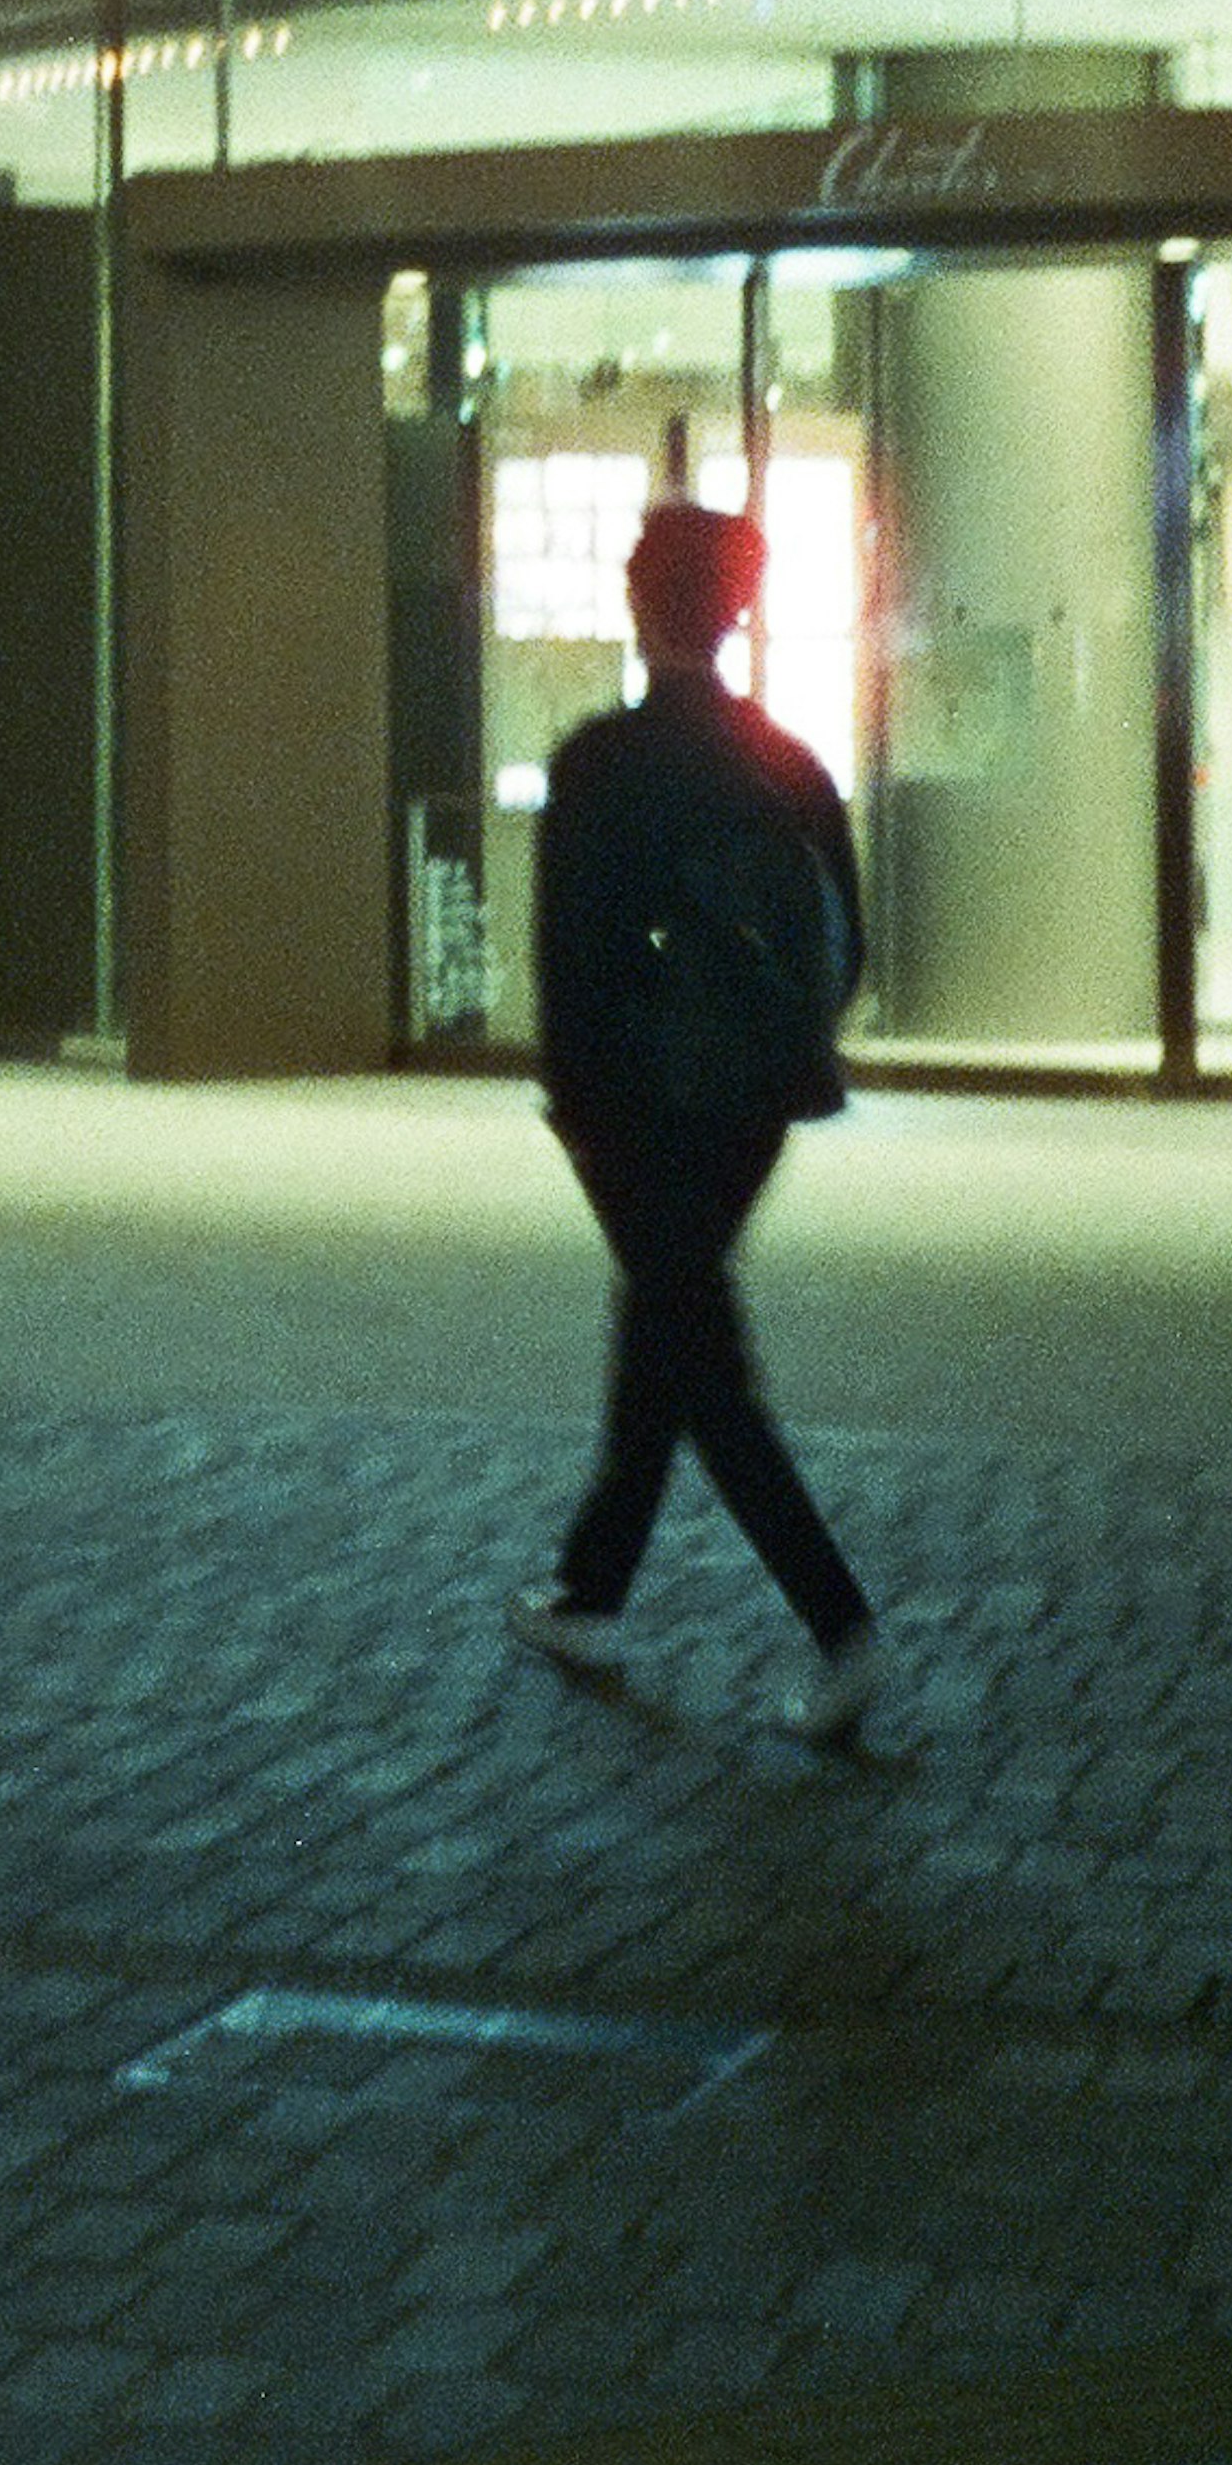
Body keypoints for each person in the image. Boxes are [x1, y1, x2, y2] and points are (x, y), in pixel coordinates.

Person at [511, 497, 882, 1742]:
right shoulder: (789, 761)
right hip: (754, 1100)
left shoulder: (599, 765)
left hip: (635, 1105)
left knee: (702, 1365)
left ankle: (842, 1629)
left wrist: (578, 1104)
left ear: (635, 604)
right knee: (667, 1319)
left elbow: (569, 961)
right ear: (736, 610)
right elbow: (849, 944)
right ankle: (590, 1585)